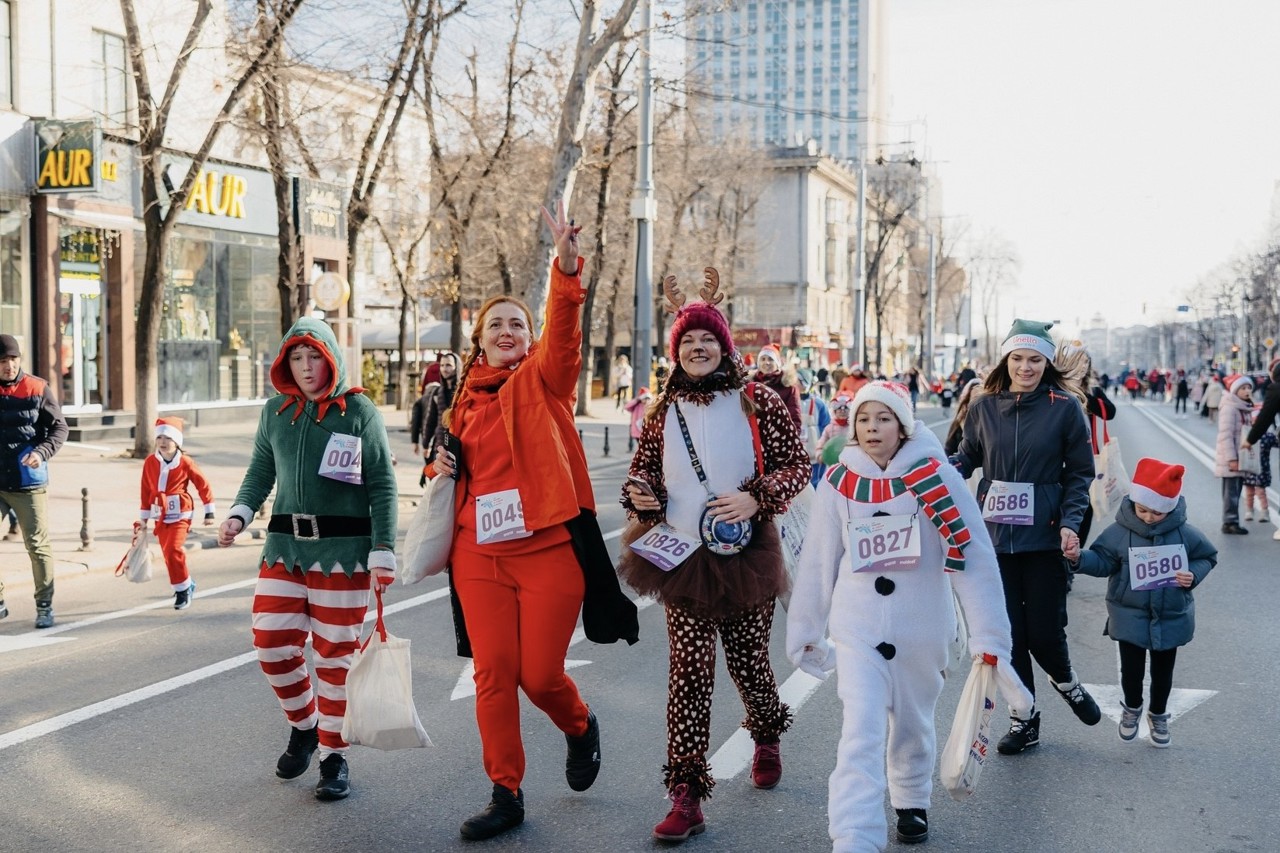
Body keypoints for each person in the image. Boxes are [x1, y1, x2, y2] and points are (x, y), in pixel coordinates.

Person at [426, 203, 638, 841]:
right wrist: (438, 461)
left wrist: (566, 270)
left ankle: (579, 724)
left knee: (539, 674)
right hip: (478, 554)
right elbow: (449, 472)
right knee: (492, 673)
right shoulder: (460, 398)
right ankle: (505, 792)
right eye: (498, 324)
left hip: (547, 550)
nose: (509, 331)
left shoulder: (543, 380)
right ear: (480, 336)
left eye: (519, 322)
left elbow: (566, 333)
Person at [787, 381, 1032, 851]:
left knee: (914, 720)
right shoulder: (839, 482)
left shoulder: (938, 478)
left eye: (883, 418)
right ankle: (855, 834)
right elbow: (817, 561)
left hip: (922, 626)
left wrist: (990, 641)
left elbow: (974, 560)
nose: (872, 428)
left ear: (902, 424)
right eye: (863, 419)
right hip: (858, 628)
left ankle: (912, 798)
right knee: (860, 729)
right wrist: (805, 631)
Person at [618, 269, 809, 843]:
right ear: (676, 352)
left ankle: (767, 731)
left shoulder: (759, 402)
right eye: (687, 342)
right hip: (679, 556)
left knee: (750, 663)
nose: (697, 348)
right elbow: (641, 472)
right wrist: (639, 494)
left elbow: (798, 466)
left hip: (745, 552)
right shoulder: (660, 410)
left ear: (724, 345)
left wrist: (757, 497)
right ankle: (685, 795)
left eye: (707, 339)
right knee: (689, 677)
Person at [216, 316, 399, 802]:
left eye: (314, 356)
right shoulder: (275, 411)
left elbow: (382, 484)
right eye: (295, 358)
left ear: (331, 357)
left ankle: (334, 756)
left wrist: (384, 548)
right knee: (271, 643)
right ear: (284, 364)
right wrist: (239, 513)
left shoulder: (359, 411)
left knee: (335, 659)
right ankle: (304, 724)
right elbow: (260, 469)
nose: (305, 367)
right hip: (284, 550)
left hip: (344, 555)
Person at [949, 319, 1101, 754]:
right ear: (1006, 360)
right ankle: (1024, 718)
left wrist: (1071, 523)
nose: (1026, 367)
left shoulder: (1064, 407)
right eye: (1018, 358)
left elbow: (1080, 474)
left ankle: (1067, 682)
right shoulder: (984, 406)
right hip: (994, 540)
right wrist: (932, 472)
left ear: (1047, 362)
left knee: (1045, 633)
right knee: (1008, 634)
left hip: (1044, 537)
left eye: (1035, 359)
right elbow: (967, 457)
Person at [1065, 458, 1217, 747]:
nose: (1148, 517)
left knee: (1163, 673)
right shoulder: (1120, 532)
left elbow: (1207, 556)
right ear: (1134, 502)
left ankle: (1158, 714)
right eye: (1143, 509)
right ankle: (1132, 708)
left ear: (1170, 508)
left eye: (1157, 512)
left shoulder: (1184, 533)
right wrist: (1078, 558)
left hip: (1171, 613)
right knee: (1131, 671)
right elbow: (1102, 561)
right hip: (1128, 614)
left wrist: (1192, 575)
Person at [0, 334, 68, 627]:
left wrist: (42, 452)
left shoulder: (37, 388)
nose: (8, 366)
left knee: (37, 545)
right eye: (2, 361)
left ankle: (44, 605)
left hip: (28, 482)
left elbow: (59, 428)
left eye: (13, 360)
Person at [138, 417, 215, 610]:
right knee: (167, 553)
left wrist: (209, 511)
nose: (163, 442)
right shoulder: (149, 462)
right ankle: (186, 583)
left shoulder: (185, 462)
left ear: (177, 441)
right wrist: (143, 518)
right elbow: (145, 489)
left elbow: (202, 484)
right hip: (160, 513)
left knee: (173, 549)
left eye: (168, 438)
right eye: (160, 437)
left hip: (181, 512)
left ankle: (182, 590)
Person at [1055, 341, 1116, 545]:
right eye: (1077, 361)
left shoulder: (1093, 390)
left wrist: (1083, 395)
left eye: (1085, 362)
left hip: (1087, 456)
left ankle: (1072, 557)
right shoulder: (1054, 387)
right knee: (1058, 505)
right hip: (1056, 456)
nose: (1081, 367)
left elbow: (1110, 412)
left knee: (1083, 505)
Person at [1215, 373, 1254, 535]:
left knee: (1236, 491)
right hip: (1231, 459)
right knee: (1231, 492)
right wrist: (1231, 459)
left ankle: (1232, 520)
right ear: (1235, 390)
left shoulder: (1243, 407)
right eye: (1243, 388)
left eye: (1249, 388)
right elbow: (1225, 435)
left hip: (1240, 457)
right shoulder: (1230, 408)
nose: (1247, 391)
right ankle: (1229, 522)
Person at [416, 352, 460, 487]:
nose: (445, 368)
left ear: (456, 367)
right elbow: (430, 420)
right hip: (439, 444)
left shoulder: (462, 391)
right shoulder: (436, 392)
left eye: (449, 365)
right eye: (442, 365)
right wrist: (425, 444)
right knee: (438, 486)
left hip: (459, 443)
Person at [753, 344, 802, 432]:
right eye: (763, 359)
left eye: (771, 359)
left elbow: (794, 415)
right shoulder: (751, 384)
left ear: (777, 363)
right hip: (755, 436)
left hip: (780, 435)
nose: (766, 362)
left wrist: (794, 436)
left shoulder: (788, 385)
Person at [799, 377, 831, 487]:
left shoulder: (818, 403)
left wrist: (823, 446)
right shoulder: (791, 401)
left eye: (800, 382)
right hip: (798, 449)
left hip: (814, 446)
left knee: (816, 480)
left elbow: (826, 425)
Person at [944, 377, 983, 457]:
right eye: (975, 398)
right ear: (967, 402)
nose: (979, 403)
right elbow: (948, 451)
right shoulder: (960, 422)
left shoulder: (994, 422)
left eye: (982, 397)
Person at [624, 386, 654, 453]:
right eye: (643, 398)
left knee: (645, 446)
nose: (645, 401)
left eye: (647, 399)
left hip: (647, 431)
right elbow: (627, 407)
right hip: (637, 430)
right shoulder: (637, 405)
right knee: (642, 446)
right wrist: (637, 400)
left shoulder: (651, 406)